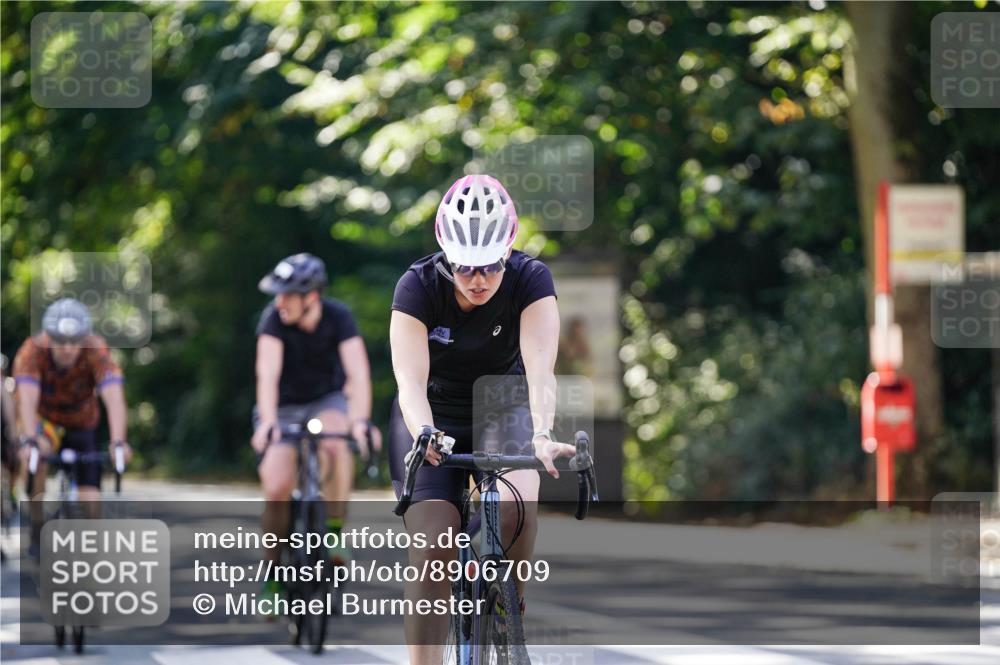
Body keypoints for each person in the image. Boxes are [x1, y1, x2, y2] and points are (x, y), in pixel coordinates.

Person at [388, 174, 576, 664]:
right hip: (432, 413)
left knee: (519, 507)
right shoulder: (416, 287)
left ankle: (508, 602)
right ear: (446, 256)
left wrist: (541, 433)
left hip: (504, 404)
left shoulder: (532, 280)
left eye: (490, 266)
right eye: (465, 267)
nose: (478, 279)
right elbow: (409, 382)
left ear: (508, 252)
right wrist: (423, 433)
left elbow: (540, 372)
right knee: (433, 549)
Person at [251, 252, 382, 600]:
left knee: (335, 443)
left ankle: (335, 532)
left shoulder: (338, 317)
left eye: (287, 294)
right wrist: (266, 422)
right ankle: (272, 576)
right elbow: (267, 376)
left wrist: (360, 422)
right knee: (277, 487)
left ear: (310, 296)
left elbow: (358, 374)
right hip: (282, 407)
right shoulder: (273, 320)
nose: (279, 301)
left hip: (327, 401)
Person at [12, 298, 132, 505]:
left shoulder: (96, 349)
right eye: (60, 341)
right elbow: (27, 400)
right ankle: (37, 524)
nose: (67, 348)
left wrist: (118, 442)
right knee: (34, 457)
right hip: (46, 421)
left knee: (91, 505)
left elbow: (114, 398)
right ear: (48, 338)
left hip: (82, 422)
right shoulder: (32, 351)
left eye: (74, 342)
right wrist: (29, 439)